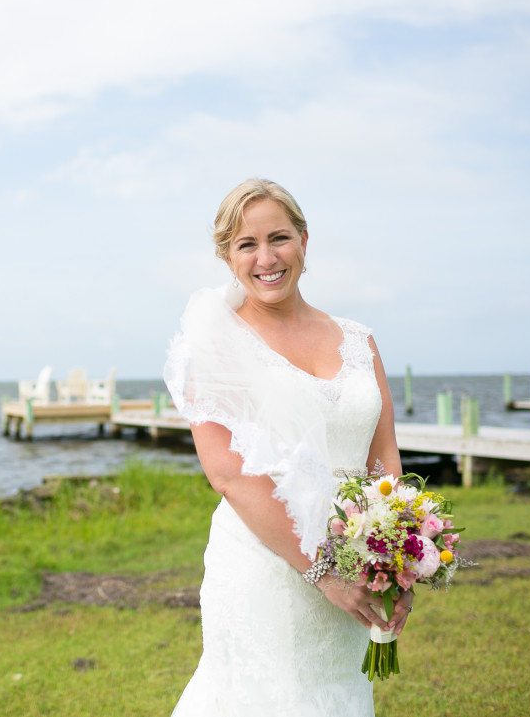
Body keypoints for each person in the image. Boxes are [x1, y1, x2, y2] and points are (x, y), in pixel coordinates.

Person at [163, 178, 412, 716]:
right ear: (227, 258)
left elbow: (383, 457)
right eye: (246, 245)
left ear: (303, 239)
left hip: (356, 560)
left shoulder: (358, 340)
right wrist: (325, 574)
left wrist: (394, 561)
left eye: (279, 238)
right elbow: (230, 476)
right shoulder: (212, 349)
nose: (266, 258)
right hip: (267, 569)